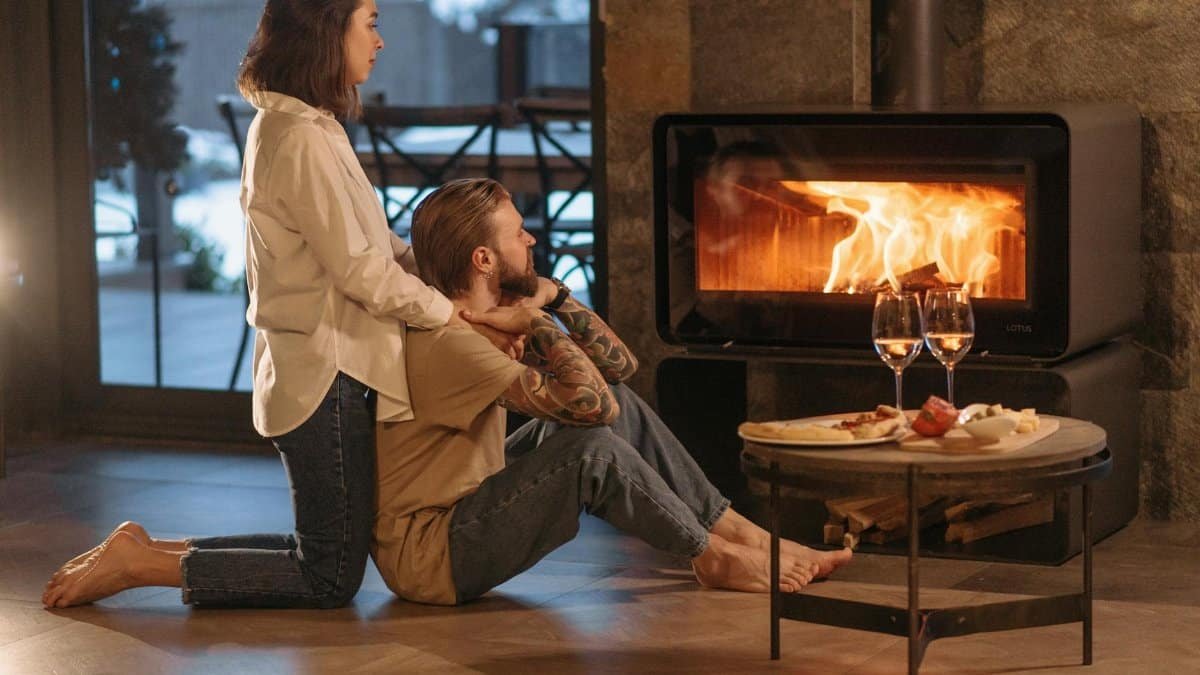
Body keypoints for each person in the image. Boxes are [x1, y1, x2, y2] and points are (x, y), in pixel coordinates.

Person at [42, 0, 500, 609]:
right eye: (370, 21)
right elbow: (362, 273)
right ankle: (141, 566)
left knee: (325, 550)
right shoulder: (298, 138)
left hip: (326, 367)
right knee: (330, 576)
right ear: (327, 31)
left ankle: (144, 551)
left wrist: (446, 282)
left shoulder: (310, 126)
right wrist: (453, 314)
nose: (380, 40)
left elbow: (378, 246)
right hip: (323, 374)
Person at [371, 178, 853, 605]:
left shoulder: (484, 319)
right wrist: (539, 322)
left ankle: (746, 536)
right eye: (518, 233)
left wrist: (556, 296)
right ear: (484, 259)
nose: (531, 238)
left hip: (467, 509)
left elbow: (619, 370)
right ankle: (712, 555)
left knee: (624, 413)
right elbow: (594, 406)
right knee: (592, 449)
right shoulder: (455, 343)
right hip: (434, 557)